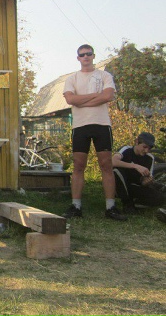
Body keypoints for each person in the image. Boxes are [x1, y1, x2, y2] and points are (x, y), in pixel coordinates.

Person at [62, 44, 126, 221]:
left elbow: (108, 96)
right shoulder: (72, 78)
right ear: (78, 58)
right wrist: (95, 96)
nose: (86, 57)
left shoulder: (105, 76)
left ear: (93, 56)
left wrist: (81, 101)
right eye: (82, 54)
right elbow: (70, 99)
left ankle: (110, 207)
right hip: (80, 126)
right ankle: (76, 206)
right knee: (78, 165)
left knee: (106, 164)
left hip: (101, 124)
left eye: (88, 54)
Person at [113, 132, 165, 213]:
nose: (146, 151)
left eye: (149, 148)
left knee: (160, 197)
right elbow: (112, 161)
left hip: (134, 186)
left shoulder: (149, 158)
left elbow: (145, 180)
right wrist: (135, 166)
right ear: (137, 142)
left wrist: (146, 182)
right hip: (119, 184)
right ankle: (127, 203)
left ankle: (136, 204)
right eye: (144, 147)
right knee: (117, 171)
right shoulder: (126, 150)